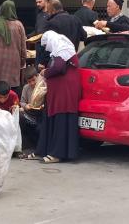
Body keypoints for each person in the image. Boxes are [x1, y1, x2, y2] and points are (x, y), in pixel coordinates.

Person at [24, 31, 81, 163]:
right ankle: (43, 150)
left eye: (46, 44)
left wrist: (46, 72)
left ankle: (57, 153)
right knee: (50, 119)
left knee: (61, 120)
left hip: (65, 92)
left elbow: (59, 68)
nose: (47, 48)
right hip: (58, 92)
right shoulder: (59, 49)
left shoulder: (61, 48)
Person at [0, 0, 27, 90]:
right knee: (12, 88)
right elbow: (23, 47)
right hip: (14, 61)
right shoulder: (19, 25)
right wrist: (23, 60)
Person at [19, 68, 42, 149]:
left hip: (40, 114)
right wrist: (25, 106)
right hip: (30, 113)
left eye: (33, 80)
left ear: (38, 77)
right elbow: (22, 101)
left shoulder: (42, 87)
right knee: (19, 115)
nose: (32, 83)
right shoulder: (26, 88)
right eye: (29, 82)